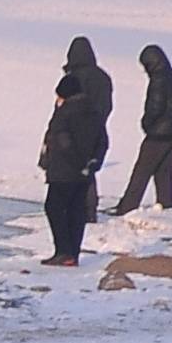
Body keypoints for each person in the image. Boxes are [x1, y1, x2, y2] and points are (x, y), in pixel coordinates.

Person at [41, 38, 113, 266]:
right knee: (76, 209)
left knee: (54, 207)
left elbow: (61, 138)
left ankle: (63, 252)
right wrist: (92, 163)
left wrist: (68, 161)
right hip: (84, 168)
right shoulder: (93, 111)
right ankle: (73, 252)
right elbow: (103, 140)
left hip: (64, 170)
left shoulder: (65, 112)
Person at [114, 44, 172, 214]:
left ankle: (127, 206)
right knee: (165, 170)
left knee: (142, 171)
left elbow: (154, 107)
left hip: (158, 134)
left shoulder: (158, 80)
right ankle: (166, 202)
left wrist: (147, 124)